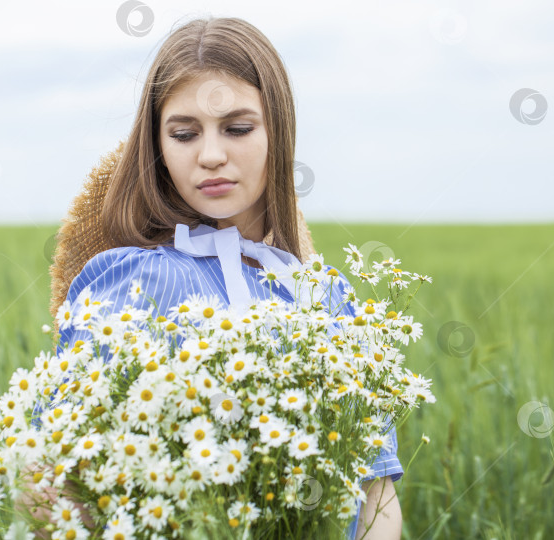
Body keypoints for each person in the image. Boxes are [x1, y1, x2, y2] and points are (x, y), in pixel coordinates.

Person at [37, 16, 403, 539]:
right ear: (157, 147)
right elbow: (60, 479)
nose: (211, 156)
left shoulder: (327, 297)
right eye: (184, 133)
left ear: (279, 128)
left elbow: (377, 491)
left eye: (237, 128)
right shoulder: (125, 282)